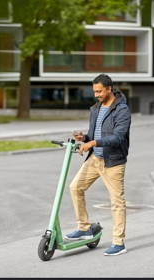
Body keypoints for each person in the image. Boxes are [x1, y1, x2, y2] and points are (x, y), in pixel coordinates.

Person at [64, 74, 131, 256]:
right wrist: (84, 138)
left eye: (99, 91)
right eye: (94, 91)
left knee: (117, 202)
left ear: (109, 88)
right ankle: (85, 227)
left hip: (113, 161)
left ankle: (119, 243)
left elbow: (118, 137)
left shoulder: (122, 110)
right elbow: (93, 134)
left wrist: (93, 143)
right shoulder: (96, 108)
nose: (96, 95)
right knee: (75, 187)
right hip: (95, 159)